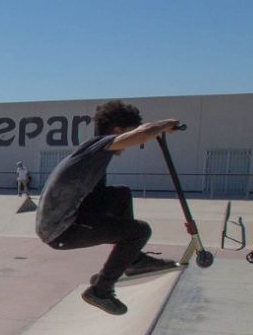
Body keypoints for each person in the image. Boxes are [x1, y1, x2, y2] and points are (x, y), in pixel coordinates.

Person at [36, 100, 182, 315]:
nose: (132, 146)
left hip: (74, 214)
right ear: (117, 131)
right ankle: (101, 290)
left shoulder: (93, 154)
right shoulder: (99, 146)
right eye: (128, 136)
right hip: (61, 230)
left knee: (120, 194)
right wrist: (164, 125)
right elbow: (142, 134)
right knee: (139, 231)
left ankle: (133, 259)